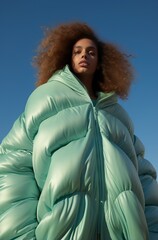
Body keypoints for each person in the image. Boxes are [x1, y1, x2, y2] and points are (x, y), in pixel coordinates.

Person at [0, 22, 158, 240]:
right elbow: (13, 168)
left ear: (101, 61)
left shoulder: (118, 112)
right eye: (78, 51)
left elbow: (144, 179)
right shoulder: (44, 98)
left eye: (91, 52)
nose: (85, 55)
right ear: (67, 56)